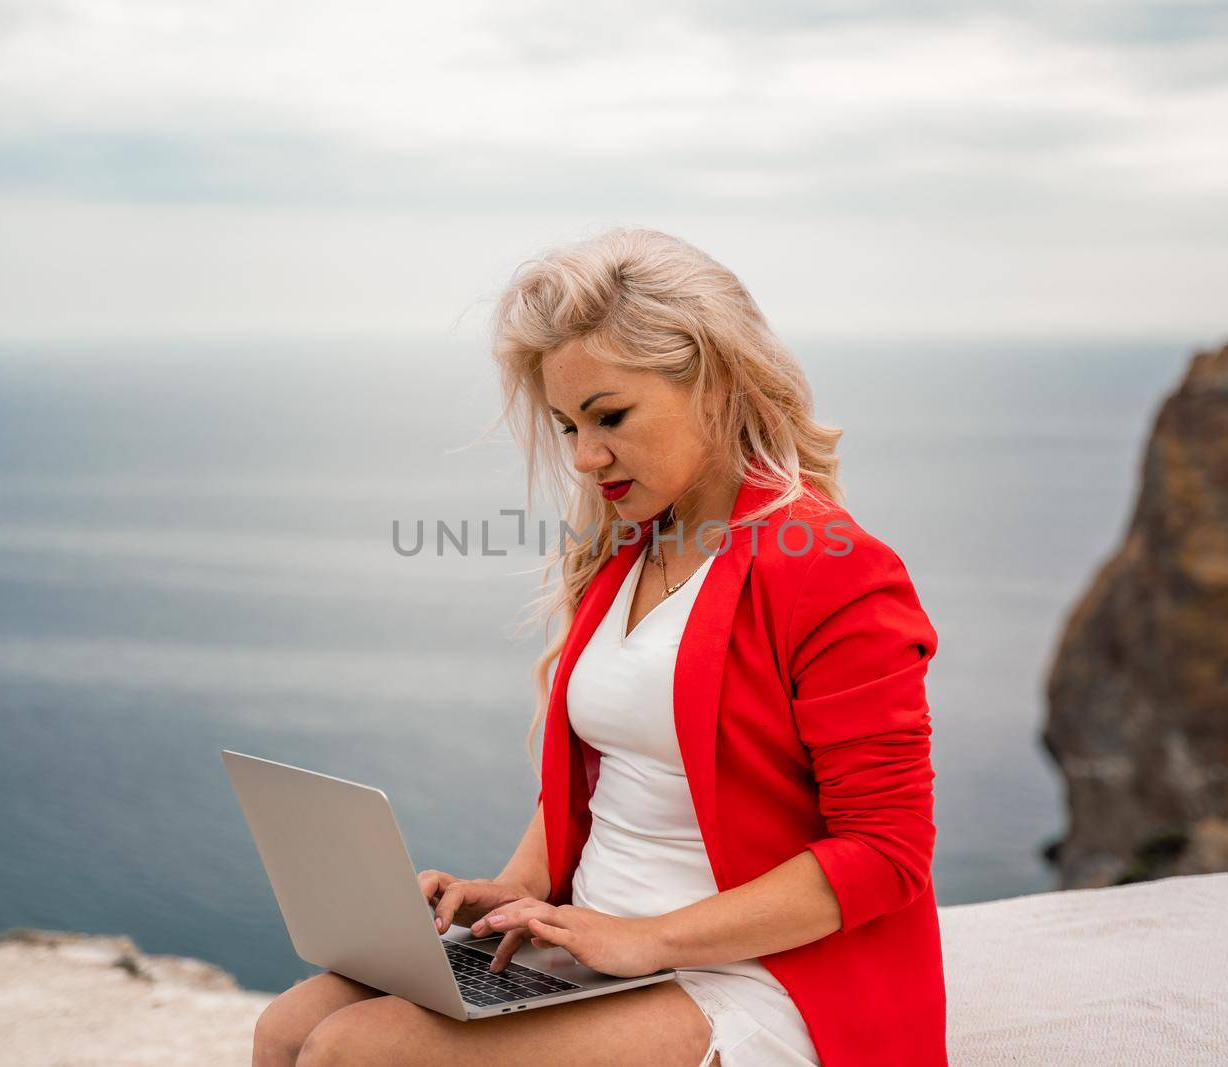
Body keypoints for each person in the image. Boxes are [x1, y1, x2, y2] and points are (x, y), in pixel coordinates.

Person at [252, 227, 945, 1066]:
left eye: (610, 417)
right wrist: (511, 889)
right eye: (567, 423)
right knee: (287, 1028)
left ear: (716, 383)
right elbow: (610, 769)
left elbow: (885, 851)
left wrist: (648, 939)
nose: (585, 457)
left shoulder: (834, 569)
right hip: (592, 948)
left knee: (355, 1052)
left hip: (752, 976)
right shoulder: (627, 549)